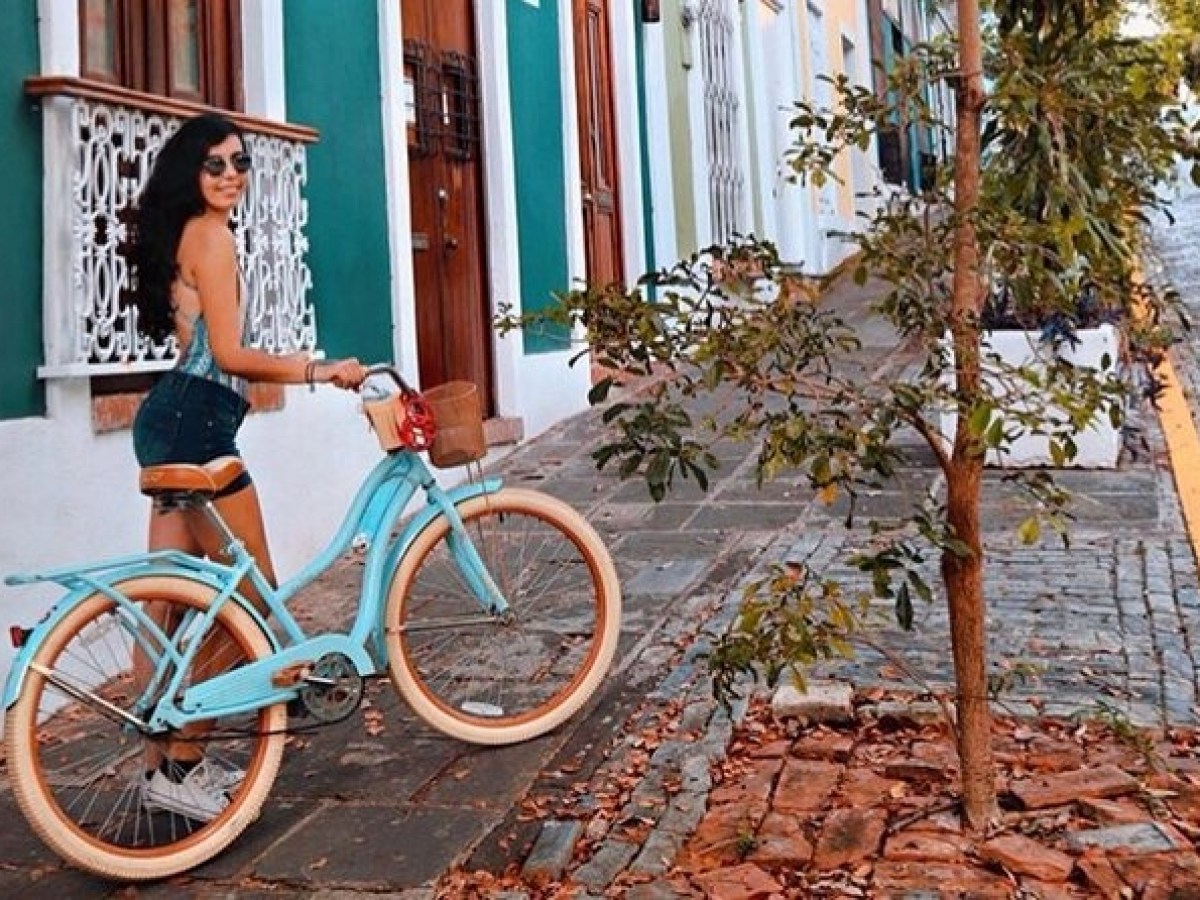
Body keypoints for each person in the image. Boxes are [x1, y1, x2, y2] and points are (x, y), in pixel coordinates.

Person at [129, 112, 367, 821]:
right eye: (214, 166)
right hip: (197, 427)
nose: (230, 176)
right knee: (250, 602)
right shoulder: (210, 236)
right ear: (191, 175)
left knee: (167, 607)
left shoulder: (185, 235)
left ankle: (157, 767)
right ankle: (184, 760)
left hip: (168, 422)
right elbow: (229, 357)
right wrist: (319, 370)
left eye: (239, 164)